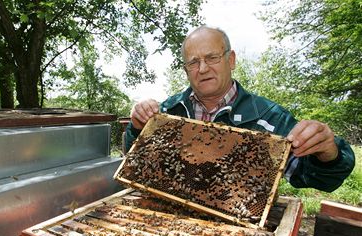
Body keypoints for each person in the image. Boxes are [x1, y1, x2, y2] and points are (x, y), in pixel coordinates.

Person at [125, 25, 355, 192]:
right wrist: (136, 127)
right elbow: (134, 161)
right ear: (186, 70)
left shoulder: (269, 117)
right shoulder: (167, 111)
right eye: (193, 62)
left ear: (231, 60)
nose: (202, 68)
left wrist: (328, 153)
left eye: (212, 57)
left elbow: (322, 180)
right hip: (168, 221)